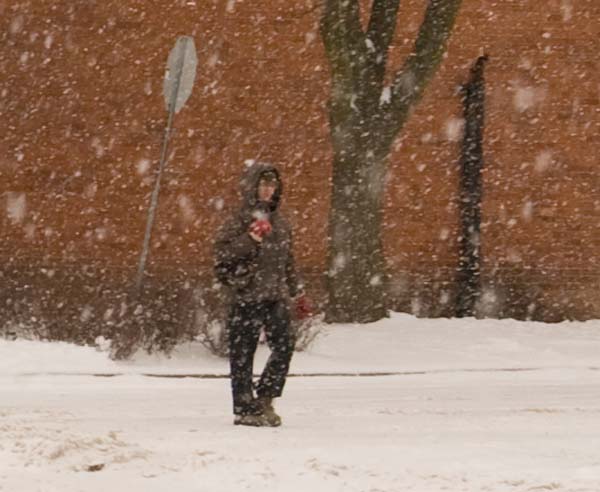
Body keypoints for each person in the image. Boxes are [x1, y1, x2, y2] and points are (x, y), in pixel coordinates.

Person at [214, 162, 311, 427]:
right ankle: (245, 409)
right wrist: (250, 238)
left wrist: (297, 292)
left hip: (275, 296)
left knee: (285, 344)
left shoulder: (280, 223)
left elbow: (287, 261)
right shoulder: (238, 220)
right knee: (242, 355)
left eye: (272, 185)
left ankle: (266, 398)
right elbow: (222, 254)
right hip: (245, 294)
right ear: (252, 187)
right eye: (263, 184)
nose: (268, 190)